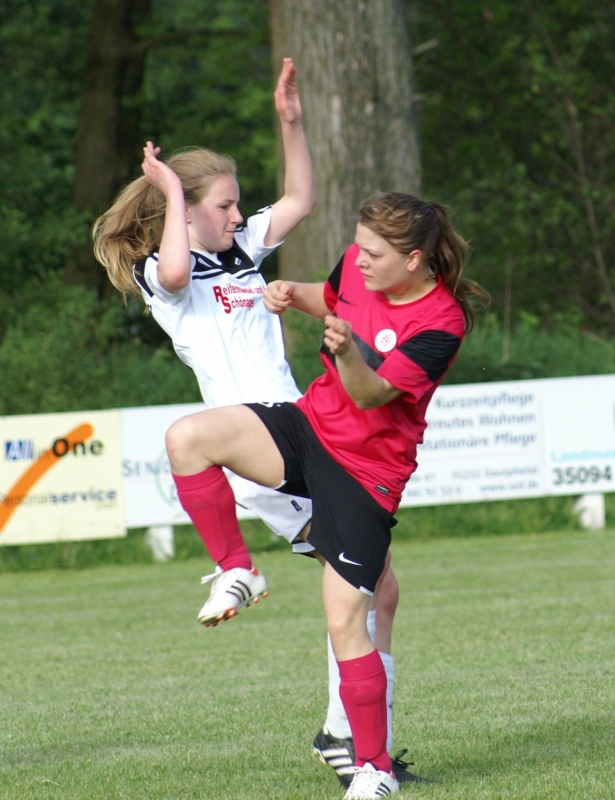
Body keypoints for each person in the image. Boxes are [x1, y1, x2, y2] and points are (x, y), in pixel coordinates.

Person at [92, 59, 415, 789]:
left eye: (239, 204)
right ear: (185, 211)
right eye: (225, 205)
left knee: (377, 588)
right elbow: (177, 273)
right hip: (257, 447)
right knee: (362, 591)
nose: (239, 216)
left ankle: (344, 733)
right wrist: (171, 192)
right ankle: (243, 579)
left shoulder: (241, 251)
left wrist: (291, 122)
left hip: (301, 431)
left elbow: (300, 197)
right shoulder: (161, 271)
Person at [161, 191, 483, 799]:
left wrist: (346, 350)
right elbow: (330, 297)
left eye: (374, 254)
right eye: (358, 248)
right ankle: (238, 569)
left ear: (414, 260)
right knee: (188, 438)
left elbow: (370, 394)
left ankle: (374, 769)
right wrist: (291, 293)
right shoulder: (359, 267)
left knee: (346, 620)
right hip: (310, 427)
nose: (360, 260)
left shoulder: (441, 322)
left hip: (366, 475)